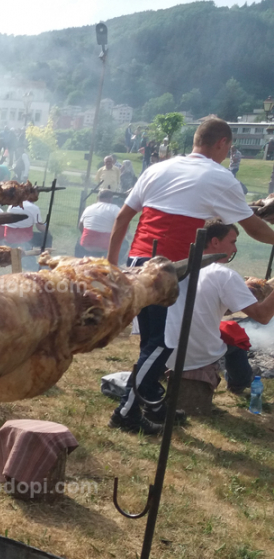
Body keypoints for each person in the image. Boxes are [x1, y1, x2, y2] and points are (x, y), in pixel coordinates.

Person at [106, 116, 274, 434]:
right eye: (228, 148)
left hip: (138, 260)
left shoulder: (157, 168)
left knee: (153, 344)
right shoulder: (219, 177)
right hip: (172, 269)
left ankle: (153, 406)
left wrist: (114, 268)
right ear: (222, 143)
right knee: (163, 344)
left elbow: (122, 218)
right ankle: (126, 411)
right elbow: (253, 227)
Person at [163, 219, 274, 397]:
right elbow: (262, 316)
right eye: (232, 242)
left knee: (226, 327)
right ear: (215, 241)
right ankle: (240, 384)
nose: (235, 249)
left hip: (166, 350)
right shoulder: (224, 274)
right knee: (237, 340)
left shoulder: (178, 266)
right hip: (195, 354)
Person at [75, 190, 120, 257]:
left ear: (97, 198)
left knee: (79, 242)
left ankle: (78, 260)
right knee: (124, 243)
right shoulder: (115, 209)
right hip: (104, 247)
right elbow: (125, 225)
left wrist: (87, 236)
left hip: (86, 245)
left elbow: (80, 226)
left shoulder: (88, 208)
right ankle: (114, 262)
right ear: (110, 199)